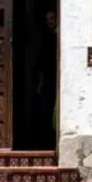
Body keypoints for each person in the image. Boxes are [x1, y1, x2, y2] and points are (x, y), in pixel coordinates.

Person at [35, 8, 58, 147]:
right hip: (48, 79)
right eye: (47, 19)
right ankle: (46, 141)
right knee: (45, 110)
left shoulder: (59, 36)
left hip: (58, 78)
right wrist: (40, 82)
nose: (50, 22)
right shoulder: (45, 38)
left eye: (52, 18)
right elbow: (41, 62)